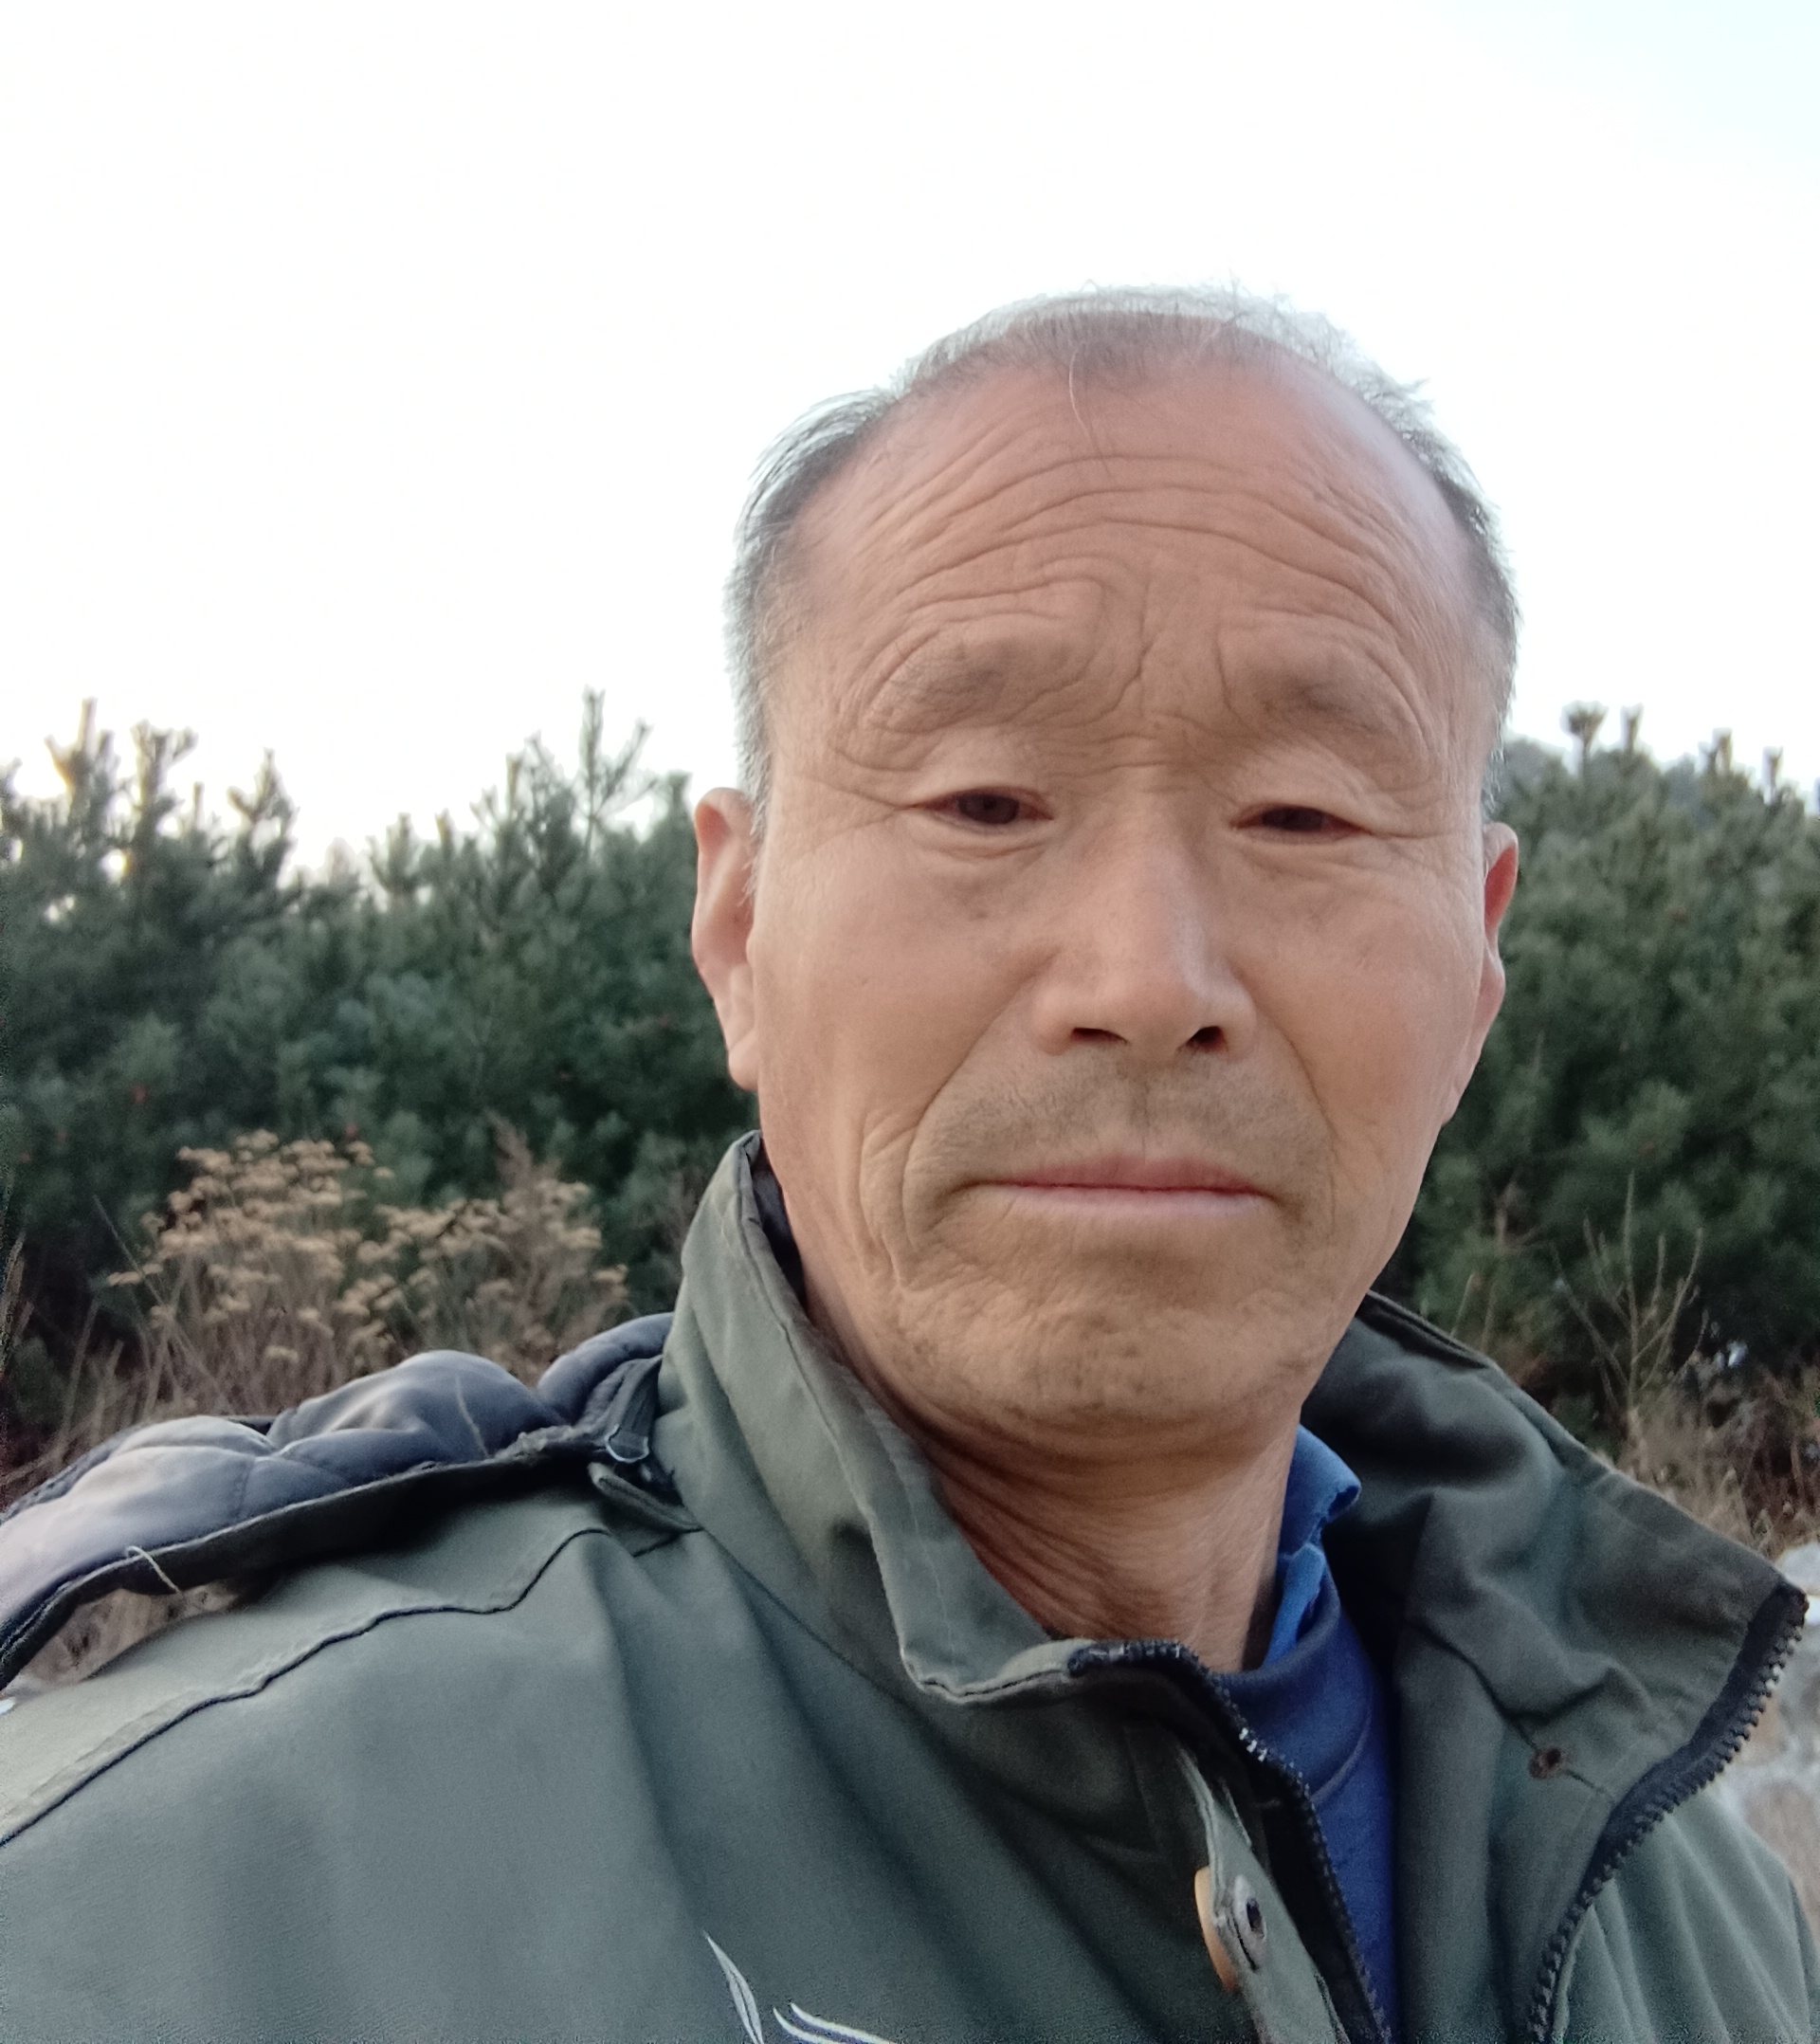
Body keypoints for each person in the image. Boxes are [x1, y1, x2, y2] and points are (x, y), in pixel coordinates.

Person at [0, 287, 1812, 2044]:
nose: (1146, 981)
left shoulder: (1694, 1905)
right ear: (739, 926)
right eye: (984, 803)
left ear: (1480, 959)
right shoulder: (169, 1907)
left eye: (1304, 815)